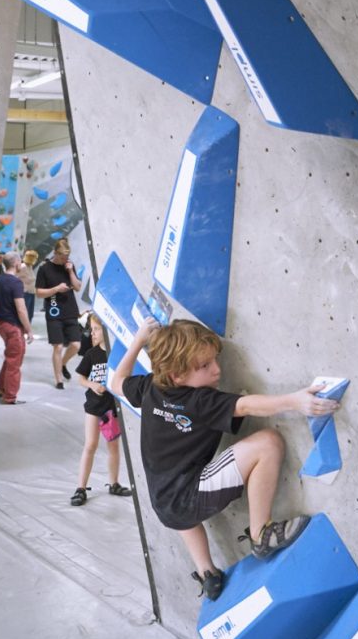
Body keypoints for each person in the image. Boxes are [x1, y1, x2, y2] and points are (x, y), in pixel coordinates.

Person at [111, 316, 338, 601]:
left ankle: (207, 572)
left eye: (214, 360)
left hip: (162, 501)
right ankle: (261, 534)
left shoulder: (150, 388)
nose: (217, 370)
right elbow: (246, 405)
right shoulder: (199, 401)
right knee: (268, 443)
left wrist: (139, 340)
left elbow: (117, 382)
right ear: (177, 376)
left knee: (181, 510)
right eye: (204, 367)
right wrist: (295, 401)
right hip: (187, 497)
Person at [71, 314, 133, 506]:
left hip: (112, 410)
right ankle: (81, 488)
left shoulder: (117, 355)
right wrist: (92, 385)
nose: (93, 334)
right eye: (92, 329)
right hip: (93, 408)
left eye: (96, 329)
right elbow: (80, 378)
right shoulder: (91, 354)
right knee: (90, 444)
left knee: (113, 447)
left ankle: (114, 483)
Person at [35, 238, 83, 389]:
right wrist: (56, 289)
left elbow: (77, 287)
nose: (65, 260)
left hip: (70, 310)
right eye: (63, 258)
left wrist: (70, 271)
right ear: (55, 253)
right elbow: (39, 293)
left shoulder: (69, 266)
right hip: (54, 311)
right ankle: (59, 379)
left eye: (67, 257)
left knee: (76, 345)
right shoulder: (44, 269)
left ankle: (62, 364)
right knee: (58, 347)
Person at [0, 251, 34, 404]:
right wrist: (29, 330)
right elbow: (21, 310)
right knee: (15, 363)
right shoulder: (16, 283)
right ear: (16, 263)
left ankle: (1, 387)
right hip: (14, 327)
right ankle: (10, 396)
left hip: (2, 325)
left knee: (10, 358)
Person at [19, 249, 39, 322]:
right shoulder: (22, 267)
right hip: (24, 293)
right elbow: (14, 277)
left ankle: (26, 330)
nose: (36, 260)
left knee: (30, 315)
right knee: (24, 314)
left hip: (31, 293)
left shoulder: (30, 267)